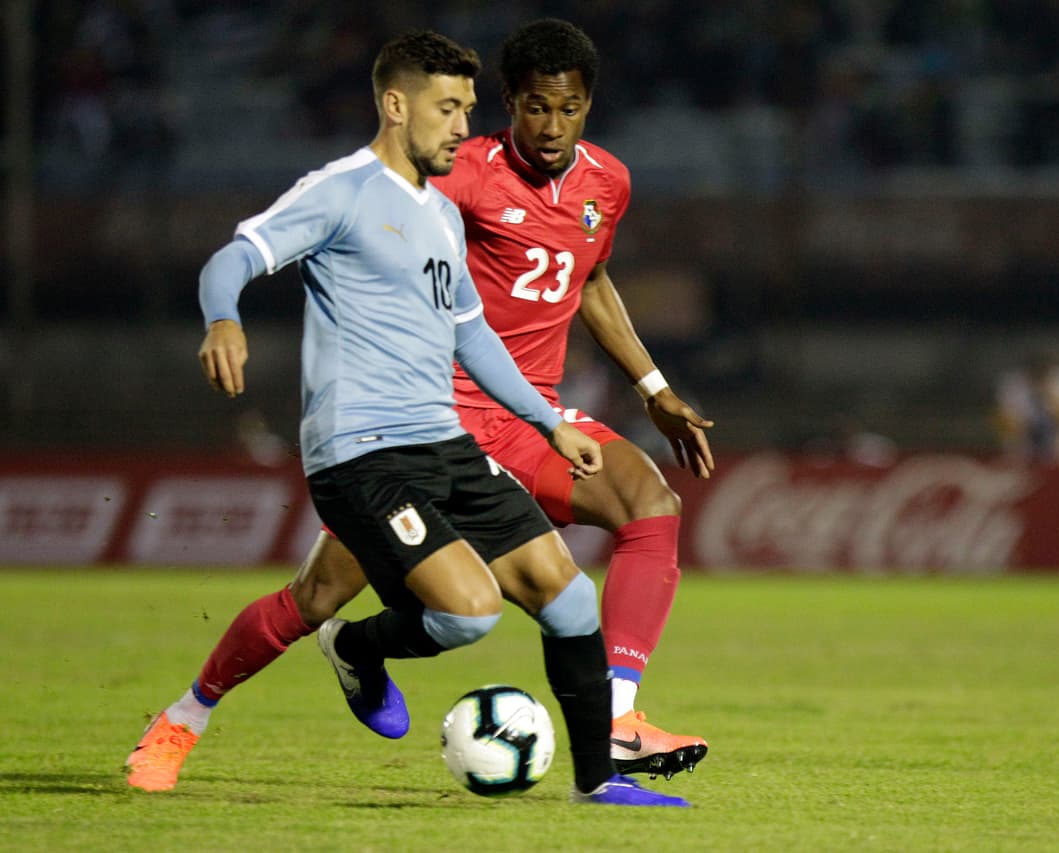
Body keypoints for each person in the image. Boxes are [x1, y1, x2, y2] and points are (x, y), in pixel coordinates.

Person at [125, 19, 713, 793]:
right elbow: (236, 255)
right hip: (371, 447)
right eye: (452, 110)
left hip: (457, 439)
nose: (465, 129)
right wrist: (224, 318)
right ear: (398, 107)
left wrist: (569, 415)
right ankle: (185, 716)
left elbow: (483, 331)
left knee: (577, 583)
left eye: (467, 111)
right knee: (343, 600)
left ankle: (599, 766)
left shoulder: (456, 206)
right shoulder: (392, 187)